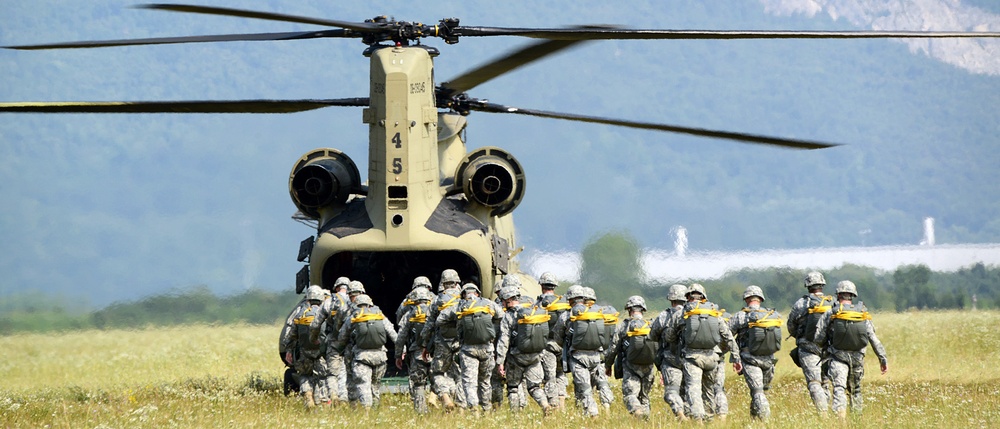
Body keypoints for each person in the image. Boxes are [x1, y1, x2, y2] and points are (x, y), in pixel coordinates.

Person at [663, 284, 741, 422]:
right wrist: (736, 358)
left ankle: (698, 420)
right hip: (712, 358)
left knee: (693, 388)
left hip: (692, 358)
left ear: (687, 297)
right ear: (704, 297)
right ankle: (709, 420)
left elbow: (669, 337)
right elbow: (728, 337)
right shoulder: (713, 313)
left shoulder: (681, 314)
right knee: (709, 391)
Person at [814, 280, 888, 420]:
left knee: (839, 388)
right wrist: (882, 359)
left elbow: (818, 337)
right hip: (857, 359)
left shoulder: (831, 312)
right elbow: (873, 338)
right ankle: (856, 421)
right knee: (855, 390)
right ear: (853, 295)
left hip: (838, 357)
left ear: (838, 295)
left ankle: (840, 419)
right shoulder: (862, 314)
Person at [438, 282, 503, 412]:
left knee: (469, 382)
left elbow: (440, 320)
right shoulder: (488, 304)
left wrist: (456, 325)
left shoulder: (459, 306)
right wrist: (491, 328)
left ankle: (474, 409)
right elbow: (501, 315)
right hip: (487, 349)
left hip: (468, 350)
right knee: (485, 381)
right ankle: (487, 409)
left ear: (463, 294)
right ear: (477, 293)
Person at [729, 285, 784, 420]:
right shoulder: (771, 315)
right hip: (769, 360)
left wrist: (735, 359)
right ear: (760, 299)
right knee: (761, 391)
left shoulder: (740, 317)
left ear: (746, 299)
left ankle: (765, 422)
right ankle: (754, 420)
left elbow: (727, 336)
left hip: (750, 359)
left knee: (757, 392)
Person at [334, 293, 397, 409]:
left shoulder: (354, 316)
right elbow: (393, 334)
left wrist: (340, 348)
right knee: (375, 386)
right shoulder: (379, 316)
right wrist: (400, 350)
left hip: (361, 356)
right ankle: (375, 409)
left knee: (364, 385)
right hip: (380, 357)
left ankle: (366, 411)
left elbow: (342, 336)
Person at [495, 284, 552, 414]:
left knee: (513, 387)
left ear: (508, 300)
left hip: (516, 357)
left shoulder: (508, 316)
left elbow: (504, 340)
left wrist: (500, 362)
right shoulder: (531, 311)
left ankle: (515, 416)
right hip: (535, 356)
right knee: (535, 387)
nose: (503, 303)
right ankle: (544, 405)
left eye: (503, 300)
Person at [553, 285, 607, 418]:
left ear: (570, 299)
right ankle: (604, 408)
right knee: (597, 384)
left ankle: (593, 414)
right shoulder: (594, 312)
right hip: (596, 355)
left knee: (584, 387)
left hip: (578, 357)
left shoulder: (567, 315)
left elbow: (557, 336)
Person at [787, 271, 834, 413]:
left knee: (814, 383)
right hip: (828, 349)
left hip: (808, 349)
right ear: (822, 284)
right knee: (825, 383)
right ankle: (829, 412)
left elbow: (791, 326)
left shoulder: (801, 303)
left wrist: (801, 338)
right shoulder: (832, 302)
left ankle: (823, 414)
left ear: (808, 286)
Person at [420, 269, 466, 410]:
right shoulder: (464, 299)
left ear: (443, 283)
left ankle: (445, 397)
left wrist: (424, 344)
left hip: (442, 342)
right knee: (460, 375)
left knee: (438, 372)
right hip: (460, 342)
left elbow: (429, 325)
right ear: (457, 282)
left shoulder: (437, 300)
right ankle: (461, 407)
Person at [605, 295, 658, 419]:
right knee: (644, 397)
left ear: (629, 310)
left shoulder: (624, 326)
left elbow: (614, 348)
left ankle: (637, 411)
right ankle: (645, 421)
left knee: (630, 395)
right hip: (649, 367)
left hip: (630, 367)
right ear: (643, 310)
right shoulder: (651, 325)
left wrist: (608, 365)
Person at [280, 285, 329, 408]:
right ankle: (320, 402)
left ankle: (307, 394)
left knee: (305, 376)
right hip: (321, 354)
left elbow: (291, 334)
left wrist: (289, 350)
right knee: (321, 378)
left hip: (304, 353)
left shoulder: (300, 313)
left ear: (308, 298)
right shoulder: (325, 313)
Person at [649, 284, 690, 420]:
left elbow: (652, 336)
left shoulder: (664, 316)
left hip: (671, 360)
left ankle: (679, 413)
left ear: (671, 300)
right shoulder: (691, 315)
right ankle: (690, 418)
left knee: (672, 391)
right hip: (690, 360)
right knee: (688, 392)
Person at [308, 277, 351, 404]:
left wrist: (314, 339)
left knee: (333, 372)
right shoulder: (355, 301)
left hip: (334, 341)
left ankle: (333, 395)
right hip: (350, 342)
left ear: (337, 287)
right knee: (347, 370)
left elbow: (316, 324)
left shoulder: (329, 302)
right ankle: (344, 397)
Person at [394, 287, 434, 414]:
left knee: (418, 384)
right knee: (439, 379)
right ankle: (442, 402)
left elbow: (401, 337)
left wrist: (398, 355)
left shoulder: (409, 315)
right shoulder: (435, 312)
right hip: (435, 353)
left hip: (417, 353)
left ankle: (421, 412)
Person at [534, 272, 570, 410]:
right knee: (561, 373)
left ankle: (553, 405)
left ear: (542, 286)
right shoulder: (564, 303)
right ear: (554, 286)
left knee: (550, 377)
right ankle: (562, 404)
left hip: (547, 345)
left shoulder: (538, 304)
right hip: (563, 345)